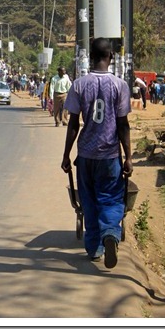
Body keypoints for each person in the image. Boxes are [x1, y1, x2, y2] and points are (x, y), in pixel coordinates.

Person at [61, 37, 133, 269]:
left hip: (86, 155)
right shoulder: (119, 85)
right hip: (110, 155)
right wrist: (129, 156)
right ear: (111, 56)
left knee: (89, 201)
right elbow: (123, 125)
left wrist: (65, 155)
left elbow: (73, 124)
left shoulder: (79, 85)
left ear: (90, 57)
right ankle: (111, 233)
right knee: (110, 198)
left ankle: (94, 250)